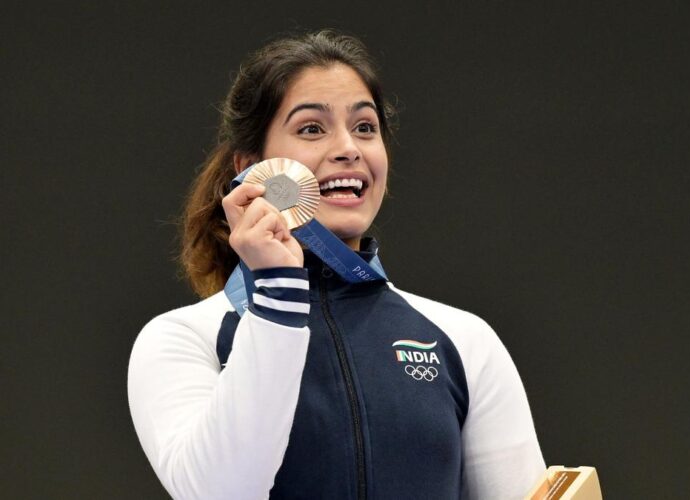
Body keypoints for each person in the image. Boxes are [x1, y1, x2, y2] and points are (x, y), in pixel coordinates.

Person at [128, 30, 545, 499]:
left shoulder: (465, 340)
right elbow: (223, 491)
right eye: (312, 128)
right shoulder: (183, 339)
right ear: (251, 165)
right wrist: (278, 292)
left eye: (365, 128)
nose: (349, 148)